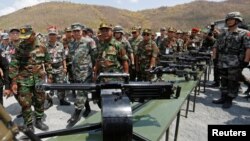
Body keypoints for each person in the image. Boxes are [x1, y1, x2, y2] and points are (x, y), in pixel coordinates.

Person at [8, 25, 52, 132]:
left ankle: (39, 120)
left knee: (40, 100)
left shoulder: (42, 46)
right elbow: (14, 65)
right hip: (23, 80)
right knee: (25, 103)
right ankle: (29, 124)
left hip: (39, 79)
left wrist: (50, 76)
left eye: (28, 37)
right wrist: (13, 82)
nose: (26, 39)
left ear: (33, 34)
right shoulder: (19, 47)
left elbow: (47, 62)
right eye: (24, 37)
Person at [212, 12, 250, 109]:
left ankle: (229, 99)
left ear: (237, 20)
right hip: (222, 61)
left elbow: (248, 48)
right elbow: (216, 45)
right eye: (228, 20)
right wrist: (215, 57)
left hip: (235, 62)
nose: (229, 21)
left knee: (233, 81)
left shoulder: (244, 33)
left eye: (231, 19)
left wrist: (246, 61)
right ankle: (223, 97)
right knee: (223, 79)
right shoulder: (223, 32)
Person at [67, 23, 96, 127]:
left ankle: (76, 113)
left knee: (81, 91)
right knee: (82, 91)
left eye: (78, 31)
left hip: (86, 72)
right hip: (76, 72)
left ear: (82, 31)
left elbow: (94, 56)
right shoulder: (71, 44)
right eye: (74, 31)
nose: (76, 33)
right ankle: (87, 108)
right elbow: (71, 58)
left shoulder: (89, 41)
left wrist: (94, 70)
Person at [45, 26, 70, 106]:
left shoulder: (61, 45)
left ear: (56, 35)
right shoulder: (45, 46)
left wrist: (65, 67)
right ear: (48, 35)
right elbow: (44, 59)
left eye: (54, 34)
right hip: (50, 68)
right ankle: (50, 101)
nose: (52, 36)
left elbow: (63, 57)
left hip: (60, 68)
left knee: (61, 85)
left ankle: (62, 99)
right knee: (50, 86)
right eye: (51, 34)